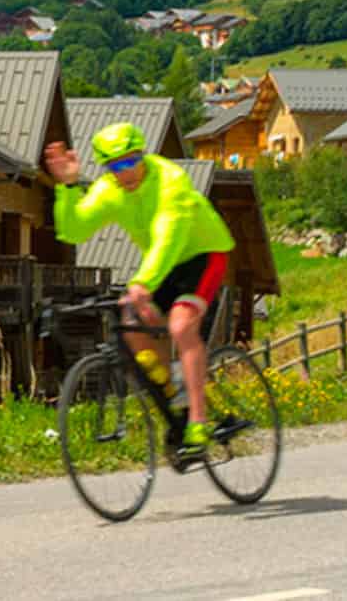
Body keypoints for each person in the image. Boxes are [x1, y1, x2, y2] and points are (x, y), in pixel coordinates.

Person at [44, 122, 236, 458]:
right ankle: (173, 392)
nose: (126, 170)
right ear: (107, 167)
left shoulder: (170, 180)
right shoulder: (109, 190)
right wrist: (69, 187)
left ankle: (199, 422)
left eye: (132, 160)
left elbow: (168, 237)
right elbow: (73, 231)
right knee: (130, 324)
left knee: (181, 325)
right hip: (161, 264)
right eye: (116, 165)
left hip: (202, 254)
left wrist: (142, 284)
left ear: (143, 154)